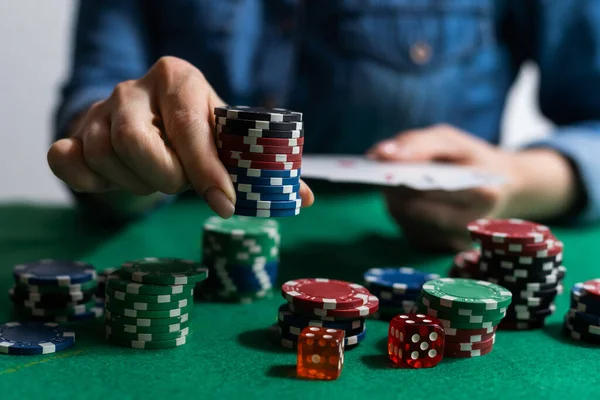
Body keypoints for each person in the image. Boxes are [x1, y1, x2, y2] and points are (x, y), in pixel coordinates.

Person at [47, 1, 600, 251]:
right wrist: (116, 152)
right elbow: (92, 106)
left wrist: (520, 181)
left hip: (414, 250)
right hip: (179, 241)